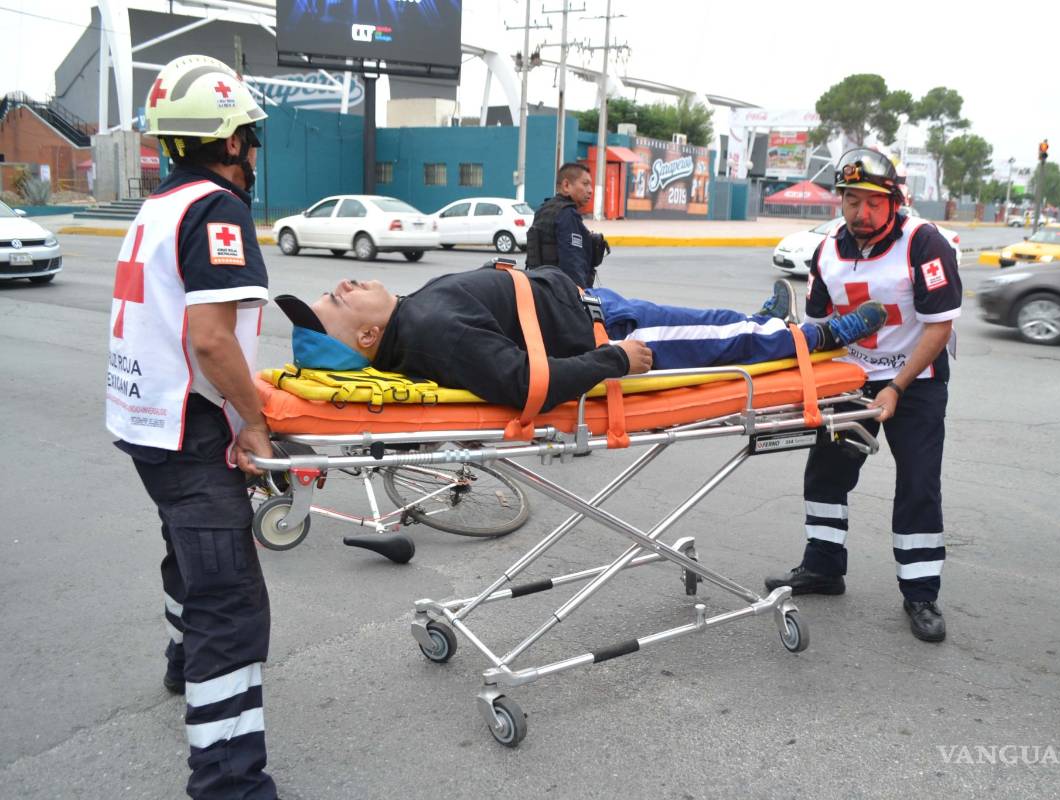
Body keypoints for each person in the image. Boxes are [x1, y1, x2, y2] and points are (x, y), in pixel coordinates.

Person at [105, 55, 278, 799]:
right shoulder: (218, 208)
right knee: (231, 605)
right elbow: (210, 339)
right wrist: (257, 424)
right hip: (190, 427)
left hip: (142, 422)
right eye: (250, 135)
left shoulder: (158, 206)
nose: (254, 150)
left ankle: (182, 664)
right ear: (230, 140)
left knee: (188, 553)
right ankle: (229, 783)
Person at [764, 147, 962, 643]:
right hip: (850, 380)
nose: (862, 212)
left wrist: (895, 387)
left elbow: (939, 328)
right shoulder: (827, 249)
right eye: (853, 200)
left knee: (918, 483)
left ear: (893, 200)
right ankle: (824, 568)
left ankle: (920, 592)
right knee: (826, 473)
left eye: (874, 202)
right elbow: (821, 326)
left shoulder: (923, 243)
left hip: (916, 381)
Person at [272, 268, 888, 412]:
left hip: (598, 309)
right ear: (369, 333)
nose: (343, 285)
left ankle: (768, 327)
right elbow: (525, 385)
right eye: (336, 301)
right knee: (727, 345)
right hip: (615, 335)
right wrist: (614, 359)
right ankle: (817, 335)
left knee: (718, 323)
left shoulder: (417, 315)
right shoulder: (433, 332)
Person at [526, 163, 610, 289]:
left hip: (539, 288)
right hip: (560, 294)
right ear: (566, 186)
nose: (590, 190)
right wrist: (580, 297)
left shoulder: (543, 209)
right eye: (585, 184)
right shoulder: (567, 214)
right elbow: (572, 264)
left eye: (590, 185)